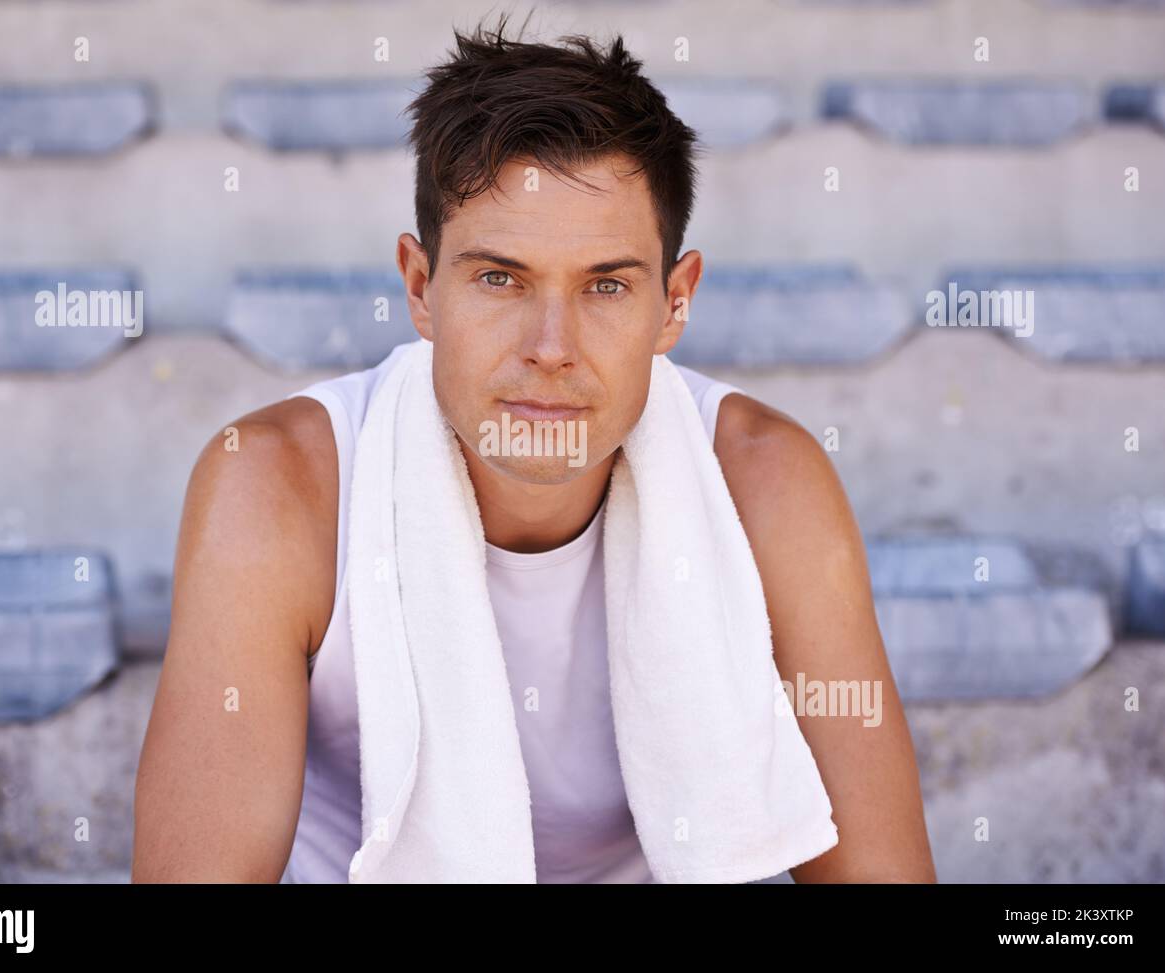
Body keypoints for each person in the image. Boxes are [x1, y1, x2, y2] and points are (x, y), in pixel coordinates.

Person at [133, 13, 936, 883]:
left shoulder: (767, 484)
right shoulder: (277, 486)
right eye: (499, 277)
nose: (550, 345)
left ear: (674, 301)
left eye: (604, 285)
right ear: (420, 286)